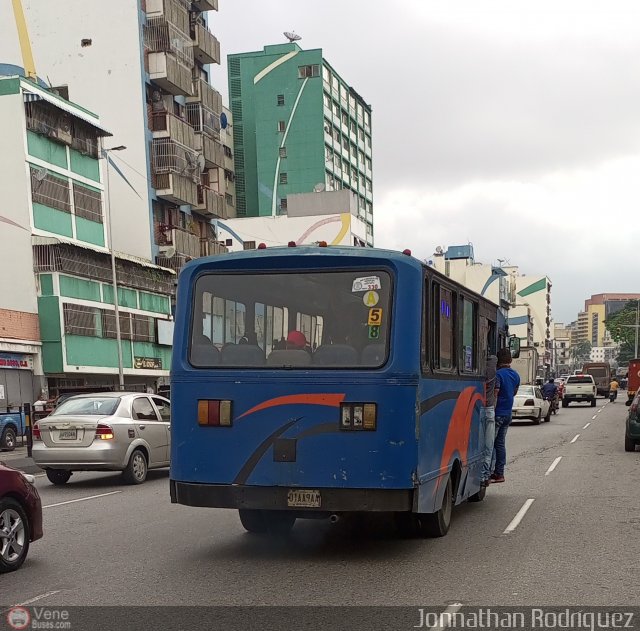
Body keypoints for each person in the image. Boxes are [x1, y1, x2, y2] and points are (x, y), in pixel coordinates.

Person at [490, 347, 520, 484]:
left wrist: (492, 411)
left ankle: (490, 472)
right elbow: (514, 392)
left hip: (497, 414)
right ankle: (499, 473)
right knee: (500, 444)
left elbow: (495, 394)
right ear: (511, 360)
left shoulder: (498, 375)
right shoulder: (515, 375)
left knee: (490, 444)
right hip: (508, 414)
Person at [481, 354, 498, 487]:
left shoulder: (477, 366)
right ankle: (484, 475)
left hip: (476, 407)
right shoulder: (493, 366)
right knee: (488, 446)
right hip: (489, 409)